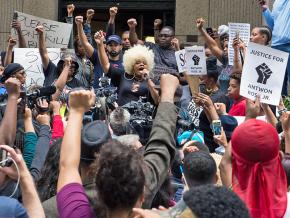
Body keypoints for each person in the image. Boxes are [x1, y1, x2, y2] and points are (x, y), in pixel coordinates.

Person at [56, 74, 180, 217]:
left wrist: (76, 111)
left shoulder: (77, 213)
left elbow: (67, 166)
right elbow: (161, 145)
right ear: (142, 197)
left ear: (98, 193)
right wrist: (168, 95)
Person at [96, 30, 159, 106]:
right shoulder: (123, 75)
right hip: (122, 115)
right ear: (132, 64)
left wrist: (148, 80)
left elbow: (157, 101)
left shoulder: (152, 81)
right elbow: (106, 65)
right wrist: (100, 45)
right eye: (138, 62)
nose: (142, 64)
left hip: (143, 116)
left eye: (144, 63)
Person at [256, 0, 290, 96]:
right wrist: (265, 9)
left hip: (288, 44)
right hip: (276, 45)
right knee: (279, 81)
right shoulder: (277, 2)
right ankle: (281, 108)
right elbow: (272, 25)